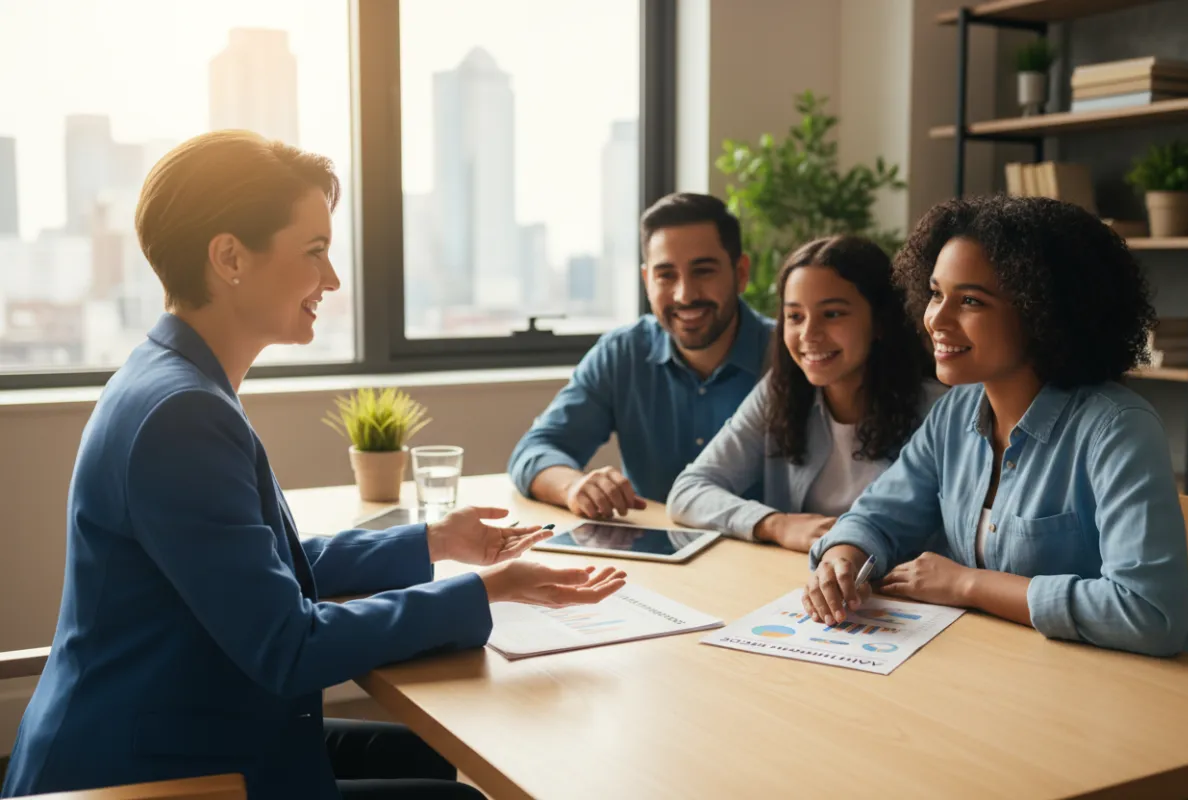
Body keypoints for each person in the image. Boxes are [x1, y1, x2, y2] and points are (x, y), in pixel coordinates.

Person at [1, 131, 626, 800]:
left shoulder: (174, 380)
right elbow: (288, 645)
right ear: (230, 257)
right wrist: (490, 590)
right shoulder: (180, 415)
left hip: (193, 726)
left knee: (429, 756)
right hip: (157, 774)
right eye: (315, 252)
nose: (331, 279)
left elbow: (264, 565)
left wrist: (435, 542)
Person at [804, 195, 1188, 657]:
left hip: (1118, 693)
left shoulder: (1118, 430)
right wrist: (842, 558)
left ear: (1041, 312)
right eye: (935, 294)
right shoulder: (956, 412)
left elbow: (1151, 613)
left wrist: (970, 584)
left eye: (970, 300)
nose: (936, 319)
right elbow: (878, 517)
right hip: (1002, 669)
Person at [507, 192, 774, 519]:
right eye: (666, 275)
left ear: (741, 272)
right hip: (653, 558)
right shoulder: (623, 354)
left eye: (703, 271)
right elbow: (533, 451)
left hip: (764, 557)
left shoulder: (790, 356)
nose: (685, 294)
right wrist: (574, 488)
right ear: (647, 281)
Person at [667, 236, 941, 551]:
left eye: (833, 314)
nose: (809, 334)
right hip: (796, 585)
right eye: (795, 317)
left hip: (894, 593)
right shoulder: (778, 393)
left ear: (880, 322)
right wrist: (774, 524)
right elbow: (688, 491)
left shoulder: (940, 411)